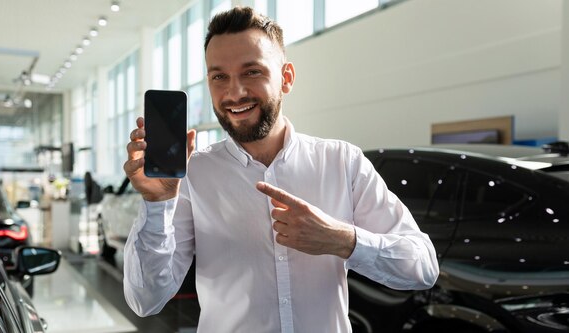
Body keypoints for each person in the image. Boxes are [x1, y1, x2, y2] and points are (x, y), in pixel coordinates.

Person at [123, 6, 439, 333]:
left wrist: (343, 240)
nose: (234, 93)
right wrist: (157, 205)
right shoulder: (193, 175)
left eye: (252, 72)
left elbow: (423, 267)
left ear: (286, 78)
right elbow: (146, 300)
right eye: (219, 76)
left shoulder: (342, 162)